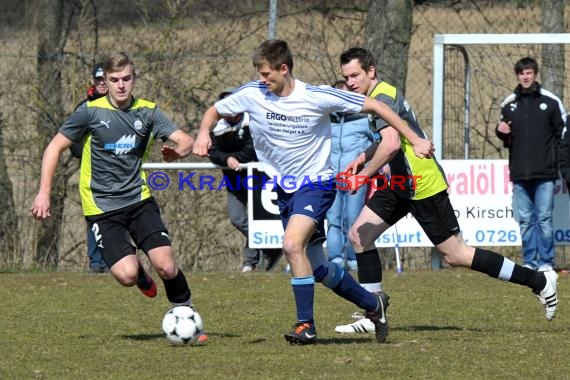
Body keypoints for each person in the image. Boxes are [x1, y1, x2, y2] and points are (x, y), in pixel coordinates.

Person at [193, 39, 434, 345]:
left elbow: (376, 105)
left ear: (284, 69)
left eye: (267, 74)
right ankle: (374, 304)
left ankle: (305, 325)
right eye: (259, 73)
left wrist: (414, 138)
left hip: (316, 184)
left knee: (292, 245)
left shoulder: (316, 96)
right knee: (317, 267)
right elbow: (214, 109)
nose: (262, 79)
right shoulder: (253, 92)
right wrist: (203, 134)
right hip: (284, 188)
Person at [334, 47, 558, 339]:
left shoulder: (380, 96)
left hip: (422, 184)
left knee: (457, 255)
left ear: (371, 71)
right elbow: (393, 139)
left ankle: (539, 281)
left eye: (355, 75)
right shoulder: (379, 94)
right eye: (346, 77)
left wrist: (361, 178)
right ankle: (373, 310)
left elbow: (390, 145)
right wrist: (363, 157)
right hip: (400, 184)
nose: (350, 82)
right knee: (359, 236)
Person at [30, 51, 207, 344]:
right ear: (106, 82)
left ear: (134, 78)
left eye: (126, 78)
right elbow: (53, 148)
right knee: (125, 275)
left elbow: (186, 140)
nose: (121, 85)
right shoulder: (90, 112)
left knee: (165, 263)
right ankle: (139, 275)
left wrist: (176, 152)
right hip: (101, 207)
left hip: (138, 200)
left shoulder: (148, 112)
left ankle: (186, 314)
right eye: (114, 80)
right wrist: (44, 192)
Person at [495, 56, 566, 272]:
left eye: (529, 73)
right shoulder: (509, 104)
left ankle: (546, 262)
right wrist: (500, 131)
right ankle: (530, 262)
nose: (525, 77)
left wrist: (556, 160)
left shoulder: (551, 101)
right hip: (519, 173)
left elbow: (562, 133)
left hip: (545, 172)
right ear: (517, 75)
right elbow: (504, 134)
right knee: (525, 220)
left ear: (535, 74)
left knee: (544, 219)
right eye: (521, 73)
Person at [208, 87, 282, 272]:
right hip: (234, 181)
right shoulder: (216, 128)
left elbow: (253, 149)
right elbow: (212, 151)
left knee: (260, 220)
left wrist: (235, 158)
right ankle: (270, 247)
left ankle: (250, 262)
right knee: (237, 218)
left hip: (259, 179)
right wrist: (226, 160)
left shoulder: (253, 122)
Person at [326, 80, 375, 272]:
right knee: (333, 221)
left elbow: (379, 143)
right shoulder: (326, 120)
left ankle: (355, 260)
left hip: (355, 179)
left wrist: (378, 166)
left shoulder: (363, 120)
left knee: (353, 219)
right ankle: (335, 260)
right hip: (330, 178)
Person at [70, 62, 109, 274]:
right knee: (94, 217)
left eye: (105, 79)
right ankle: (96, 263)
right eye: (98, 79)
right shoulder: (83, 108)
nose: (102, 83)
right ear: (93, 81)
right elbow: (71, 143)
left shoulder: (123, 106)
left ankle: (116, 261)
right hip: (92, 172)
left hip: (119, 170)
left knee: (119, 216)